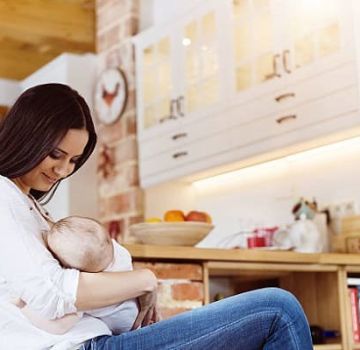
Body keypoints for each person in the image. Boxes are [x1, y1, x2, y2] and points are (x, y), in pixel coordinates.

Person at [0, 83, 313, 350]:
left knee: (276, 312)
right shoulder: (3, 194)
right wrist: (143, 280)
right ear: (28, 136)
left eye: (74, 160)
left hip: (98, 339)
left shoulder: (31, 206)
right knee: (277, 310)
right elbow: (53, 293)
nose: (64, 170)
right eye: (56, 154)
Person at [14, 216, 139, 335]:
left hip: (125, 327)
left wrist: (25, 308)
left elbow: (59, 327)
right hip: (136, 310)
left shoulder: (89, 289)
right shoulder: (121, 254)